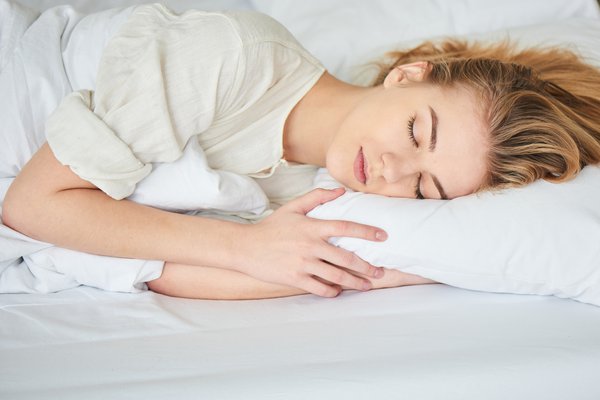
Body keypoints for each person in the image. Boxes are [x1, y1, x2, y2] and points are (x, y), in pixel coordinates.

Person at [3, 4, 600, 300]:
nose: (393, 170)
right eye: (418, 132)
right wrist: (243, 246)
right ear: (407, 75)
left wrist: (398, 274)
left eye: (423, 189)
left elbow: (157, 268)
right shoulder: (233, 56)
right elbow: (31, 206)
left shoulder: (308, 187)